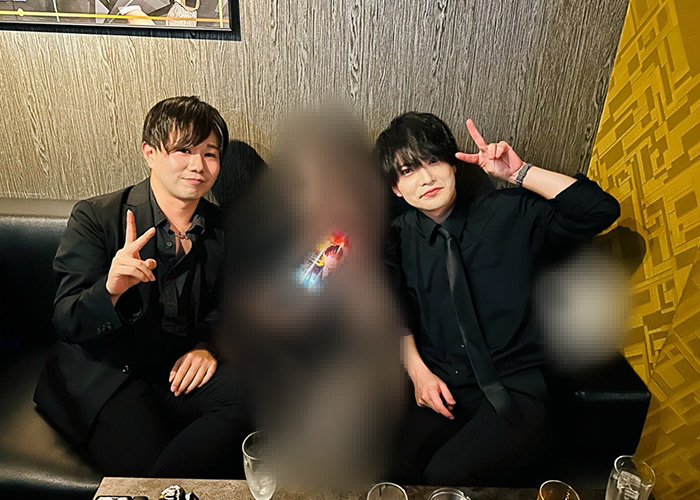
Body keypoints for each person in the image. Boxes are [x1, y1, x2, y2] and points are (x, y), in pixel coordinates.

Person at [376, 112, 620, 485]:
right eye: (408, 171)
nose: (426, 178)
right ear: (396, 188)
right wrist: (418, 373)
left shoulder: (508, 212)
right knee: (390, 469)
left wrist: (520, 173)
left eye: (433, 161)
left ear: (453, 164)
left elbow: (600, 210)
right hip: (443, 384)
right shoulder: (397, 238)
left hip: (516, 387)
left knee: (446, 474)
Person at [34, 96, 249, 478]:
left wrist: (207, 346)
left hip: (175, 368)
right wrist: (110, 290)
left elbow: (231, 308)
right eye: (183, 150)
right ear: (149, 152)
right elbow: (67, 321)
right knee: (153, 467)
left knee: (255, 400)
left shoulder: (225, 227)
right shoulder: (97, 218)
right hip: (109, 372)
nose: (198, 165)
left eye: (210, 154)